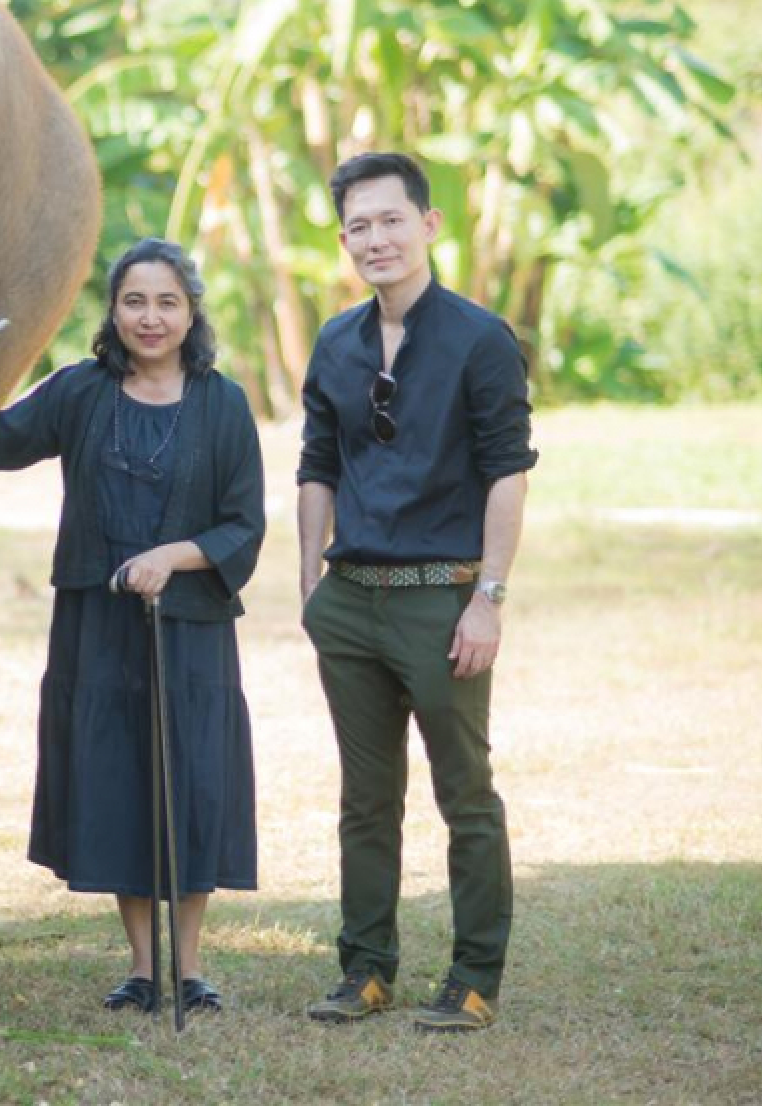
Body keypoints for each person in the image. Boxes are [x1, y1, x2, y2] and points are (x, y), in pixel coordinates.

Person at [0, 239, 264, 1014]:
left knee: (191, 783)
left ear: (190, 312)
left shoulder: (224, 404)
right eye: (135, 301)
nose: (150, 317)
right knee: (119, 780)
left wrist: (171, 556)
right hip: (97, 627)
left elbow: (243, 525)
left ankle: (188, 968)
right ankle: (142, 966)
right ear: (114, 311)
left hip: (191, 627)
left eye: (167, 302)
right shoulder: (81, 391)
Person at [297, 152, 537, 1033]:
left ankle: (473, 979)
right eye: (359, 226)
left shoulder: (480, 339)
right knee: (365, 800)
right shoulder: (336, 342)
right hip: (351, 600)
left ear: (429, 225)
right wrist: (309, 584)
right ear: (344, 240)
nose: (377, 240)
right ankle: (366, 970)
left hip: (444, 601)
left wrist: (488, 598)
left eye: (392, 220)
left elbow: (508, 471)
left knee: (464, 795)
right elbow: (317, 466)